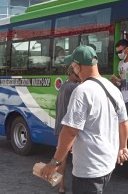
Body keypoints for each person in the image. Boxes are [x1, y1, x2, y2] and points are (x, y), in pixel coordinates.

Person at [41, 45, 128, 194]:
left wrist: (54, 163)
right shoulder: (112, 88)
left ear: (77, 67)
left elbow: (70, 131)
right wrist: (123, 147)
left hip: (89, 169)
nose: (74, 69)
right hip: (107, 165)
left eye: (74, 65)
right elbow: (123, 122)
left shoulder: (82, 91)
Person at [54, 65, 80, 193]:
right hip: (68, 128)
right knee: (75, 160)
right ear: (71, 74)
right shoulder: (75, 87)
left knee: (61, 159)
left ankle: (61, 186)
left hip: (60, 126)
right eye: (76, 74)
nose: (78, 76)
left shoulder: (63, 86)